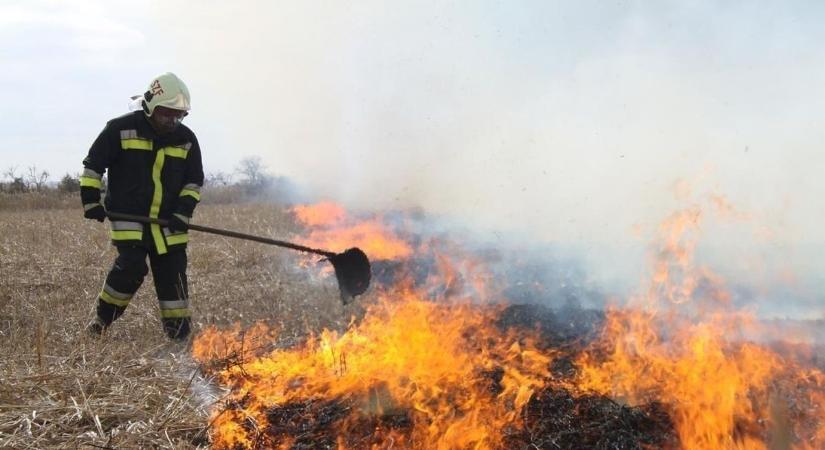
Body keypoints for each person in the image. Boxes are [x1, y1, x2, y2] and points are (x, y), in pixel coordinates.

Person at [80, 72, 204, 340]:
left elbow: (194, 182)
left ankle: (179, 338)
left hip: (170, 222)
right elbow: (93, 165)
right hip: (130, 218)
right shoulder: (119, 129)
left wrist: (183, 212)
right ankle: (101, 322)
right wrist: (91, 201)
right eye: (167, 113)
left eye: (179, 115)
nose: (173, 120)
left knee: (173, 277)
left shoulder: (187, 139)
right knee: (131, 268)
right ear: (150, 106)